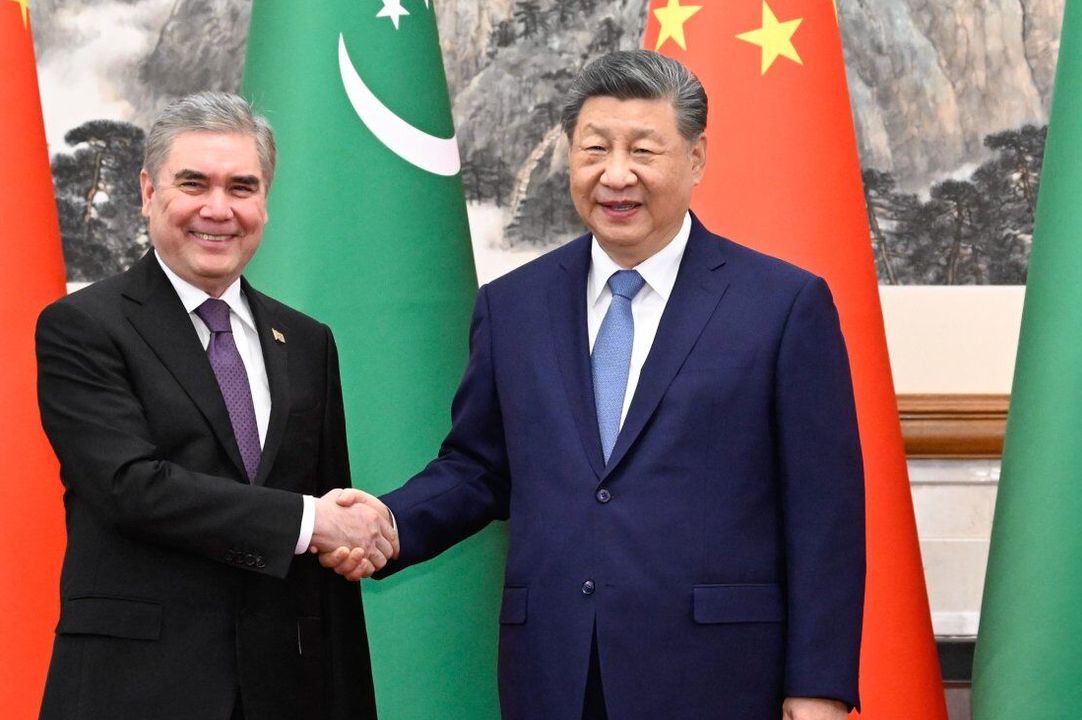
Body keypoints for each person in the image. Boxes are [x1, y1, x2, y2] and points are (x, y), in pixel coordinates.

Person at [325, 51, 865, 720]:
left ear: (696, 158)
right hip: (556, 672)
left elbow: (825, 512)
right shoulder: (513, 305)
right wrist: (389, 522)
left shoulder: (782, 305)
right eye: (595, 149)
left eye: (643, 150)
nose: (616, 175)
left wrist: (818, 686)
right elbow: (478, 467)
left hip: (719, 676)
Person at [34, 91, 394, 720]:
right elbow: (128, 487)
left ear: (265, 202)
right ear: (148, 192)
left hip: (286, 691)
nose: (218, 209)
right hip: (136, 692)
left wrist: (338, 536)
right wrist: (310, 522)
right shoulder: (82, 326)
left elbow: (325, 537)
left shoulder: (306, 341)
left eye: (242, 187)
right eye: (194, 183)